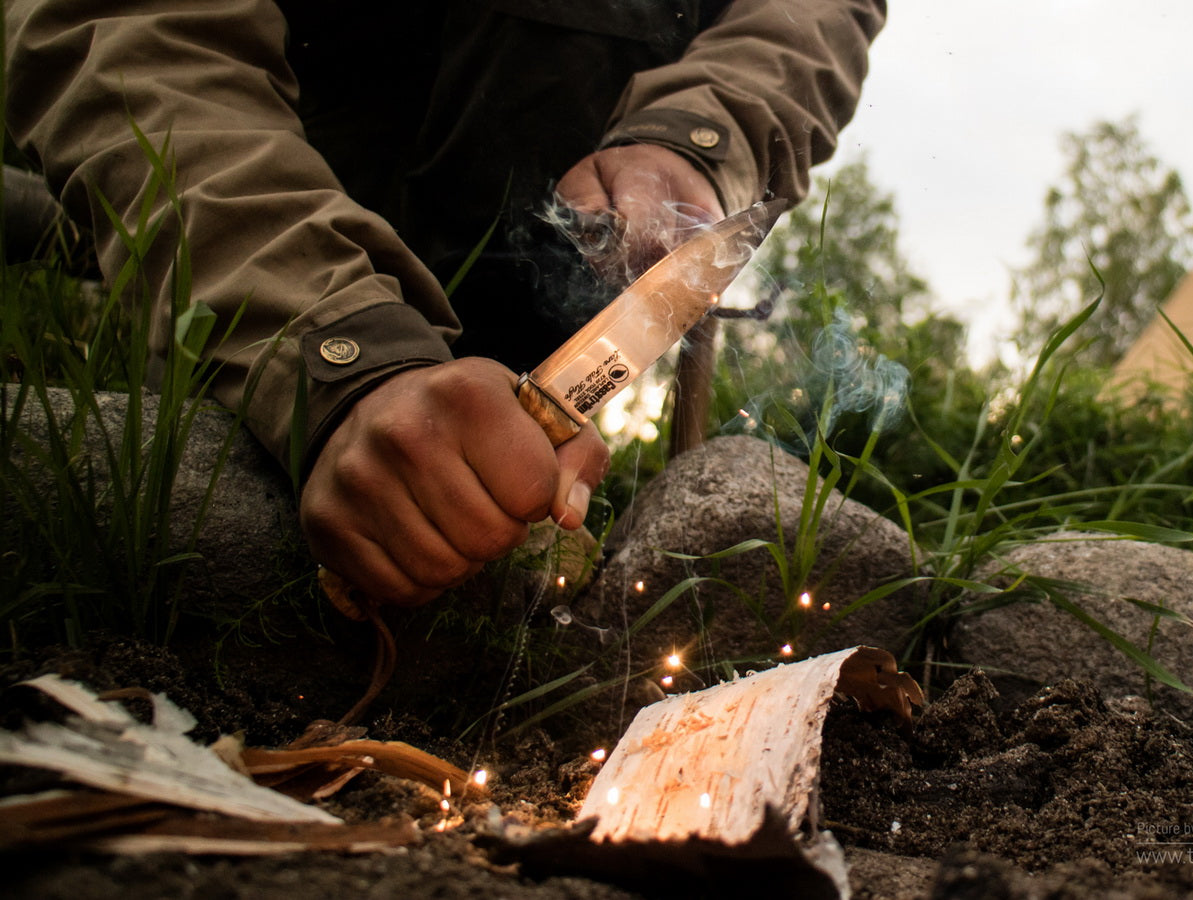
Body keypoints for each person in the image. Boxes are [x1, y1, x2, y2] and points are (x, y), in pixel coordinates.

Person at [4, 0, 885, 608]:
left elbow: (802, 16)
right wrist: (335, 344)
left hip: (545, 271)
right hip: (266, 226)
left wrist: (693, 140)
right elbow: (133, 39)